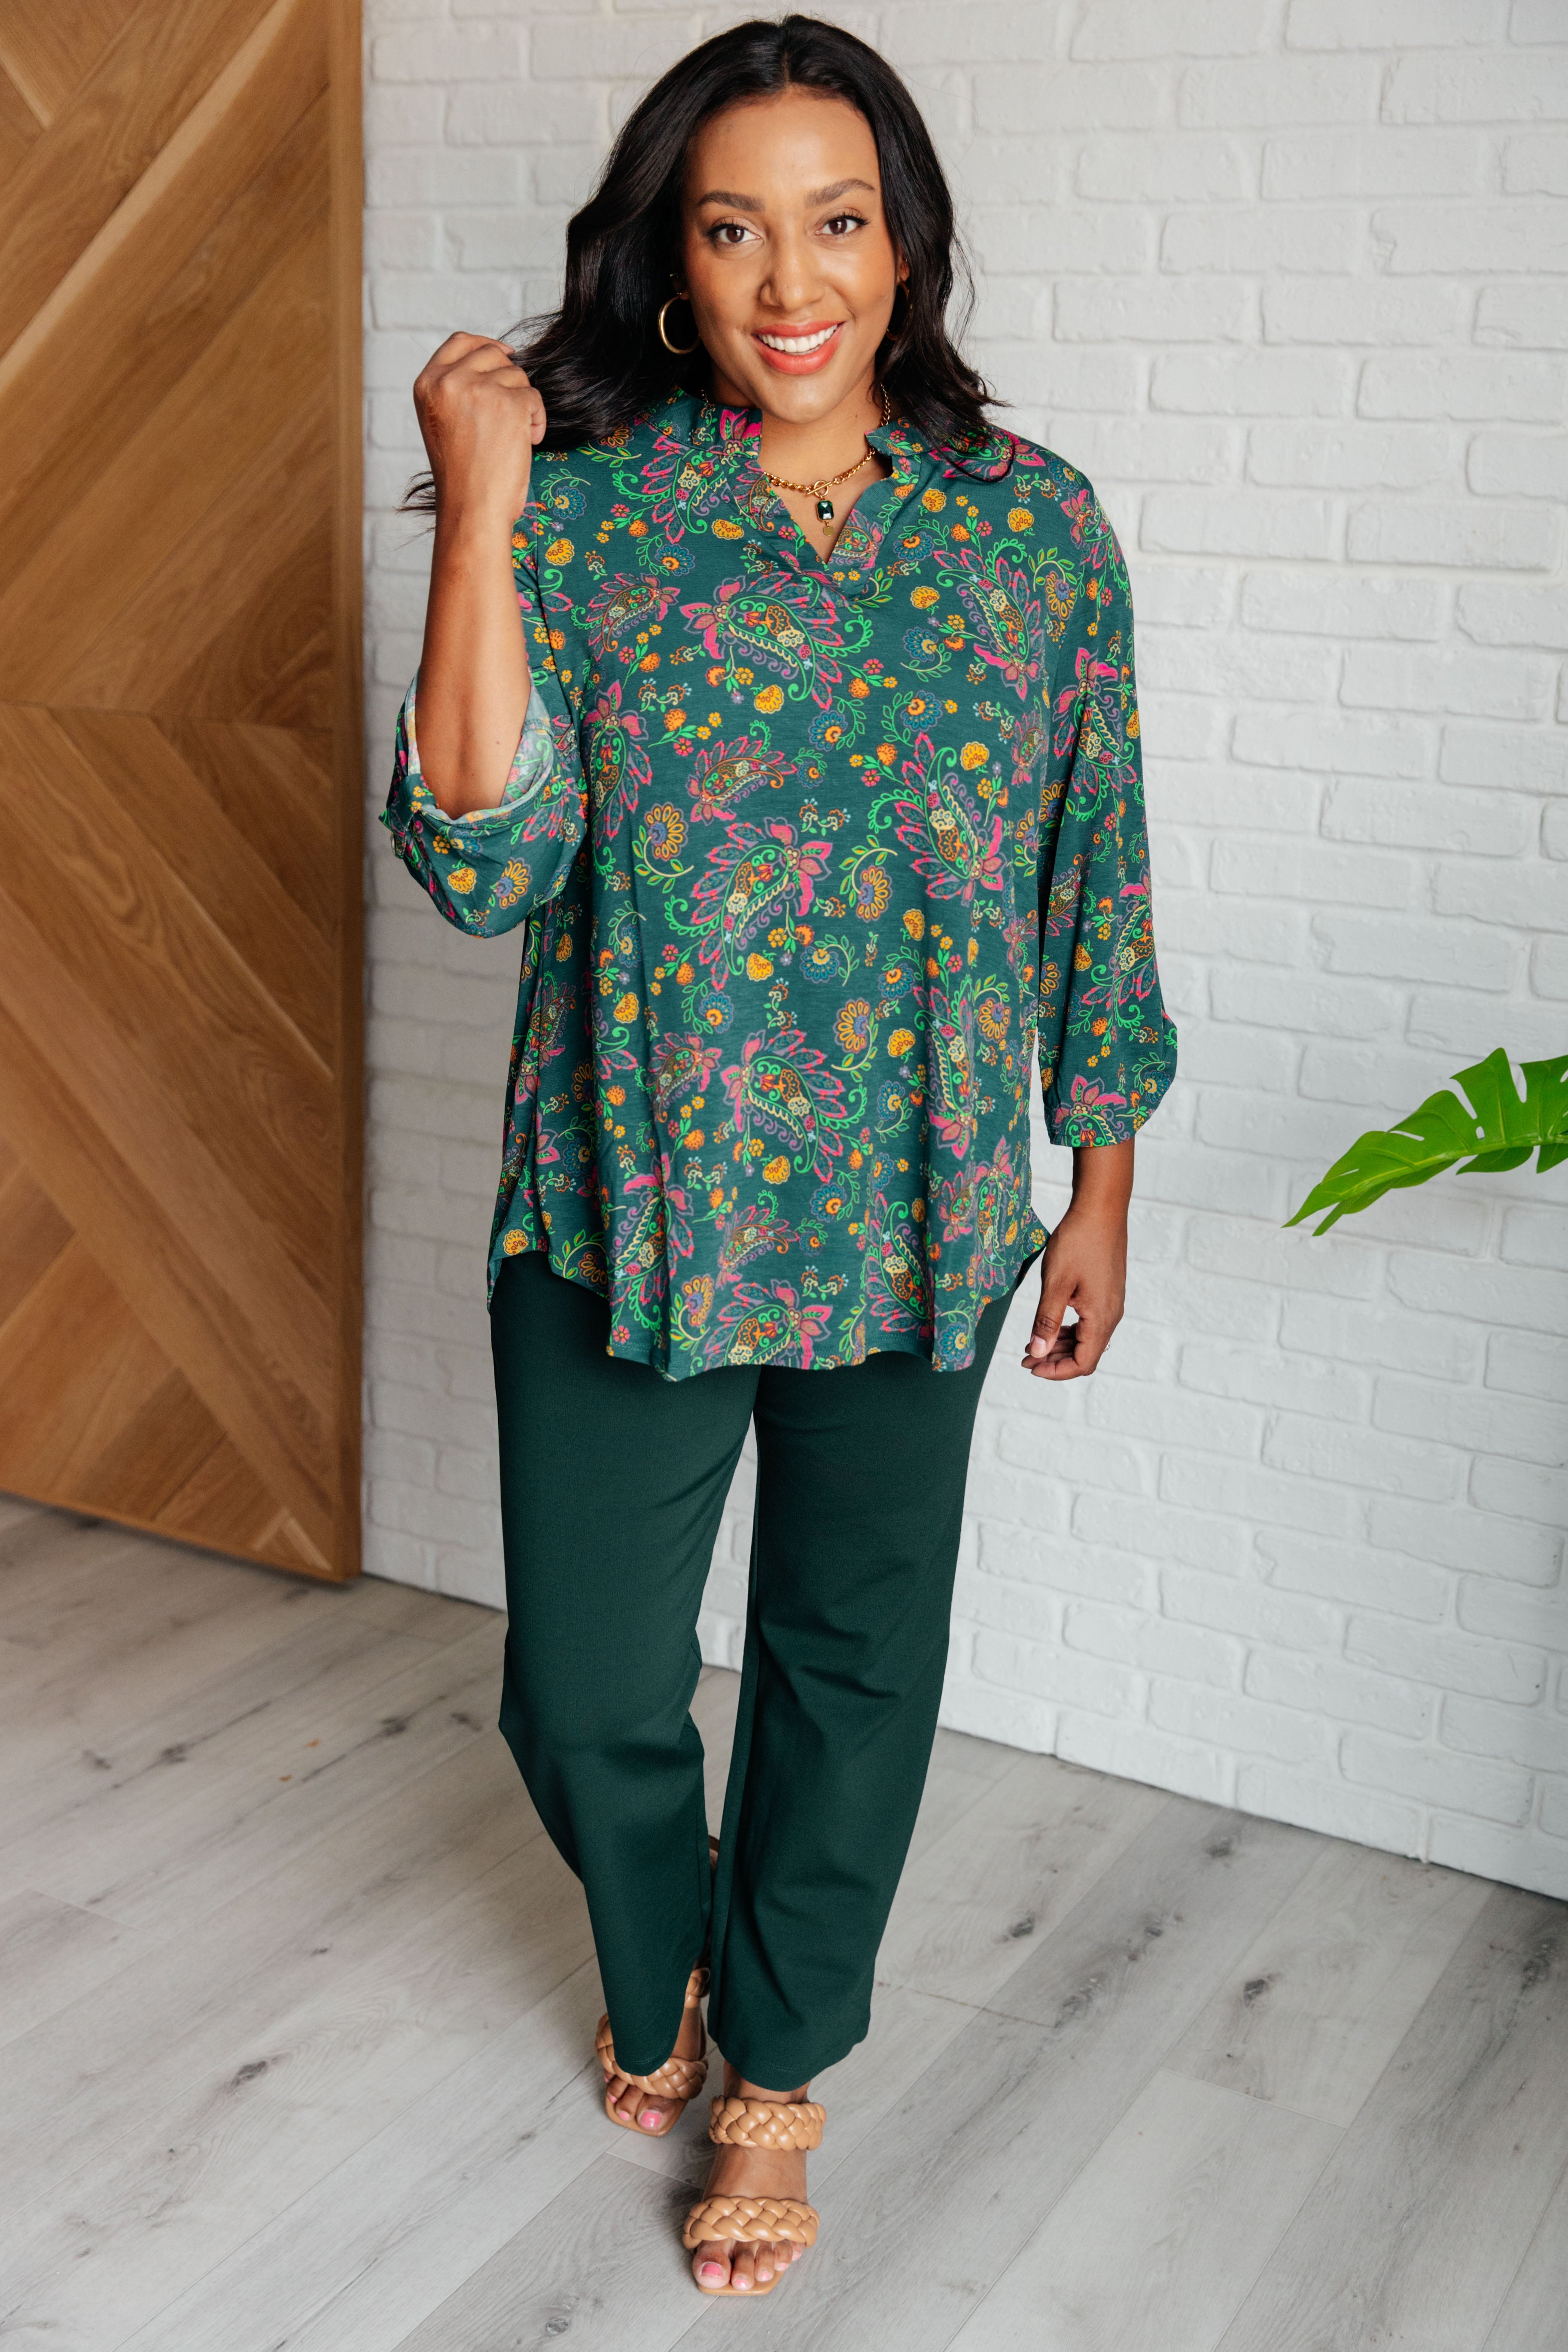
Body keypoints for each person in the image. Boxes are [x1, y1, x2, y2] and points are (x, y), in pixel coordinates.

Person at [384, 11, 1175, 2301]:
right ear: (670, 260)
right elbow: (479, 862)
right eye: (732, 229)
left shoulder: (1031, 528)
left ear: (907, 245)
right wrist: (485, 508)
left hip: (922, 1216)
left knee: (853, 1665)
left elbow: (1095, 863)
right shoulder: (589, 514)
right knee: (584, 1690)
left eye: (836, 222)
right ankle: (661, 1950)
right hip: (619, 1205)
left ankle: (779, 2066)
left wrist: (1099, 1178)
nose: (789, 279)